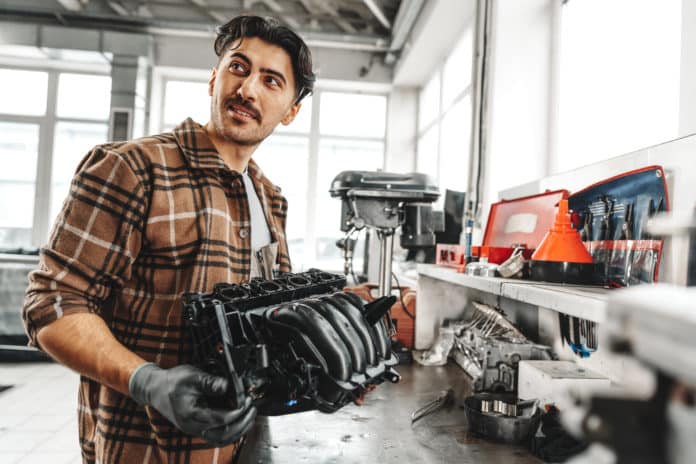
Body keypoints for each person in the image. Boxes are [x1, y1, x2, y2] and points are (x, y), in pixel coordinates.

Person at [22, 15, 315, 463]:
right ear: (214, 77)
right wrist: (148, 381)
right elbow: (51, 303)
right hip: (142, 451)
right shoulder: (133, 169)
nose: (248, 89)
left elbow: (268, 321)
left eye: (271, 81)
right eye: (238, 68)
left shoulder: (270, 199)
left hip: (238, 447)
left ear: (291, 110)